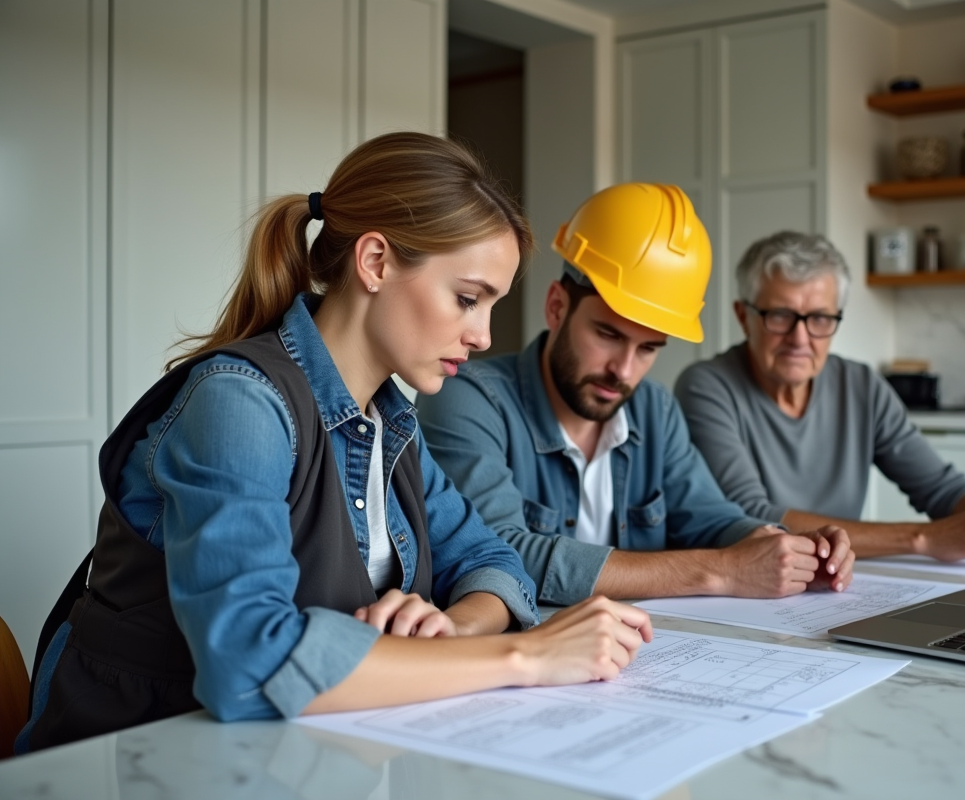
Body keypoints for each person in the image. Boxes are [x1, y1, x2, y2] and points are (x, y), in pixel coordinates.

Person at [18, 133, 651, 754]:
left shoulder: (391, 424)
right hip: (135, 759)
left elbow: (493, 562)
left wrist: (447, 628)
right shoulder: (240, 404)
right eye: (466, 299)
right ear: (374, 262)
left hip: (288, 759)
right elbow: (249, 663)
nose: (483, 336)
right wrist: (524, 655)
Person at [416, 184, 854, 607]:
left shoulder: (654, 409)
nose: (624, 370)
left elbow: (710, 517)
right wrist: (719, 570)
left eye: (648, 349)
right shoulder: (469, 397)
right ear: (556, 307)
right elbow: (496, 552)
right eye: (608, 334)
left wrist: (785, 548)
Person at [675, 230, 965, 563]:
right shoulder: (706, 387)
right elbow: (753, 513)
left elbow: (941, 487)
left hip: (839, 584)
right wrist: (922, 538)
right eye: (780, 316)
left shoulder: (860, 385)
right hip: (747, 595)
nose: (800, 338)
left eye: (820, 317)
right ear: (743, 315)